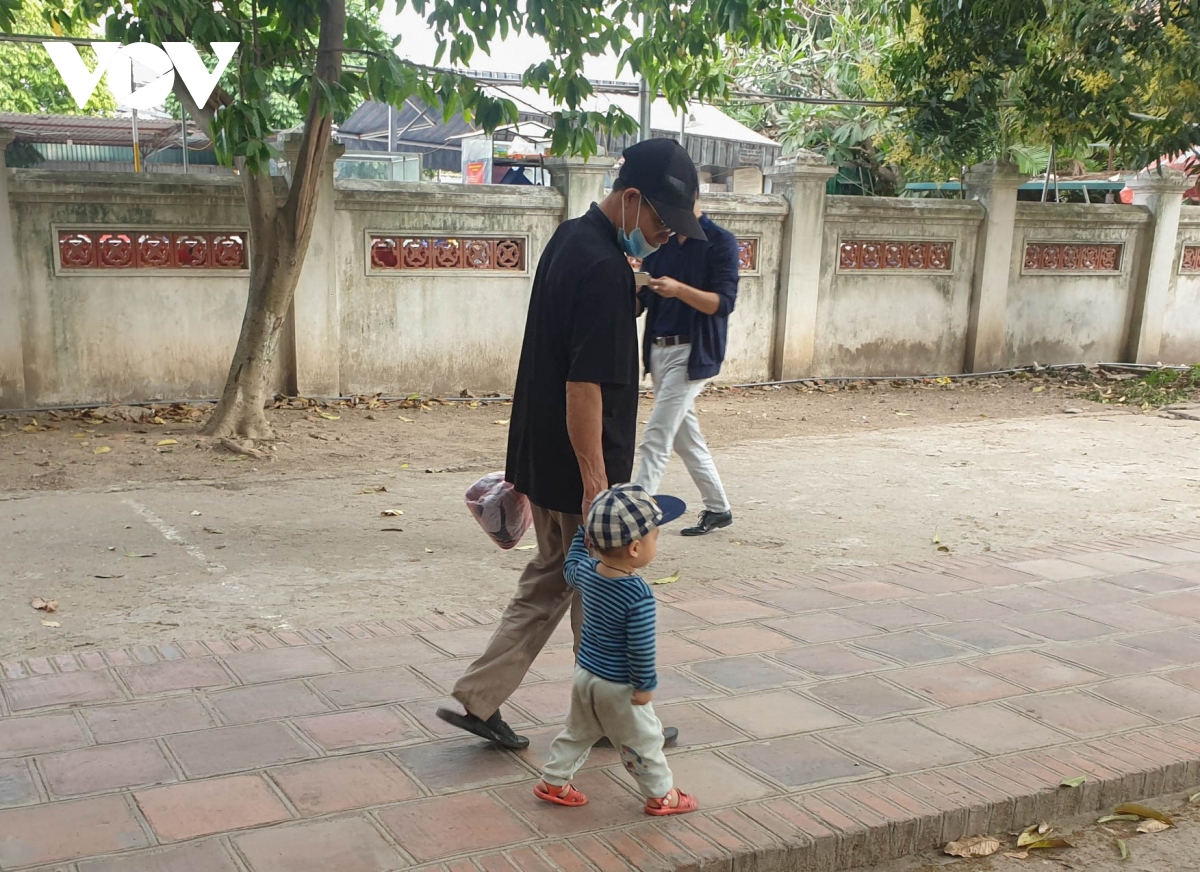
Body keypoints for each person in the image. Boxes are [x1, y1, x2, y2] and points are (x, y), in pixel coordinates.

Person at [436, 138, 706, 749]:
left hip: (542, 451)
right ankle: (617, 717)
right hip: (579, 464)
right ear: (632, 199)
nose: (668, 236)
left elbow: (565, 336)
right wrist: (595, 486)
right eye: (664, 222)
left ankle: (486, 699)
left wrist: (630, 293)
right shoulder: (604, 269)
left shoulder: (571, 240)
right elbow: (584, 387)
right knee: (597, 579)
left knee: (560, 578)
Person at [534, 484, 698, 816]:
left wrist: (583, 534)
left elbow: (572, 562)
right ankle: (661, 795)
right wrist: (644, 686)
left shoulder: (587, 573)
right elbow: (640, 647)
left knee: (578, 732)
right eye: (655, 537)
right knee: (645, 741)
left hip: (586, 677)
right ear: (636, 548)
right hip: (618, 685)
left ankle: (553, 781)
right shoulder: (637, 593)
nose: (657, 543)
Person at [634, 198, 738, 536]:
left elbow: (722, 304)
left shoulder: (720, 242)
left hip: (692, 353)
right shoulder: (661, 244)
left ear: (694, 201)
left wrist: (679, 290)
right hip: (658, 351)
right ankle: (718, 508)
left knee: (656, 436)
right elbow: (642, 303)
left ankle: (635, 517)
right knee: (684, 438)